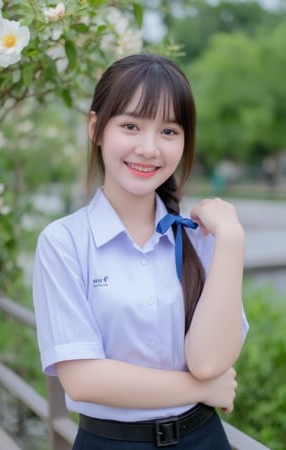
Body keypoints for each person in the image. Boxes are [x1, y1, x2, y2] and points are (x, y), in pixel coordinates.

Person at [33, 53, 249, 449]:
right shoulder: (63, 242)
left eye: (169, 131)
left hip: (204, 439)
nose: (149, 148)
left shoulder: (202, 236)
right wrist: (201, 389)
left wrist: (232, 239)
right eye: (131, 126)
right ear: (96, 128)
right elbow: (83, 380)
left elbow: (209, 363)